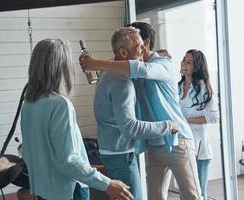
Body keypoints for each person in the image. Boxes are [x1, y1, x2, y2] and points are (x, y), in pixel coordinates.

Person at [80, 22, 202, 200]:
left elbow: (140, 69)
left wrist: (96, 63)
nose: (139, 49)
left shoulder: (162, 64)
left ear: (146, 43)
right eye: (136, 46)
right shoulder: (124, 73)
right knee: (155, 196)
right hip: (154, 144)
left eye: (140, 45)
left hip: (177, 140)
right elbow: (123, 66)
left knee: (192, 196)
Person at [21, 39, 133, 200]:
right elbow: (69, 161)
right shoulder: (60, 105)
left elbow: (27, 153)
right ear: (61, 67)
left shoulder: (29, 104)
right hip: (68, 192)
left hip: (42, 191)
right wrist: (107, 183)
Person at [94, 27, 179, 200]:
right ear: (123, 52)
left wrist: (157, 58)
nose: (144, 49)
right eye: (139, 46)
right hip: (121, 156)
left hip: (110, 151)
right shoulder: (121, 83)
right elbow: (130, 129)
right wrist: (168, 126)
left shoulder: (108, 72)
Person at [178, 49, 219, 199]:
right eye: (183, 59)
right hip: (182, 145)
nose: (184, 63)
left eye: (189, 62)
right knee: (187, 192)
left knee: (199, 194)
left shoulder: (203, 87)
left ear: (197, 67)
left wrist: (185, 121)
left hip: (200, 148)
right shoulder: (178, 87)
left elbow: (214, 117)